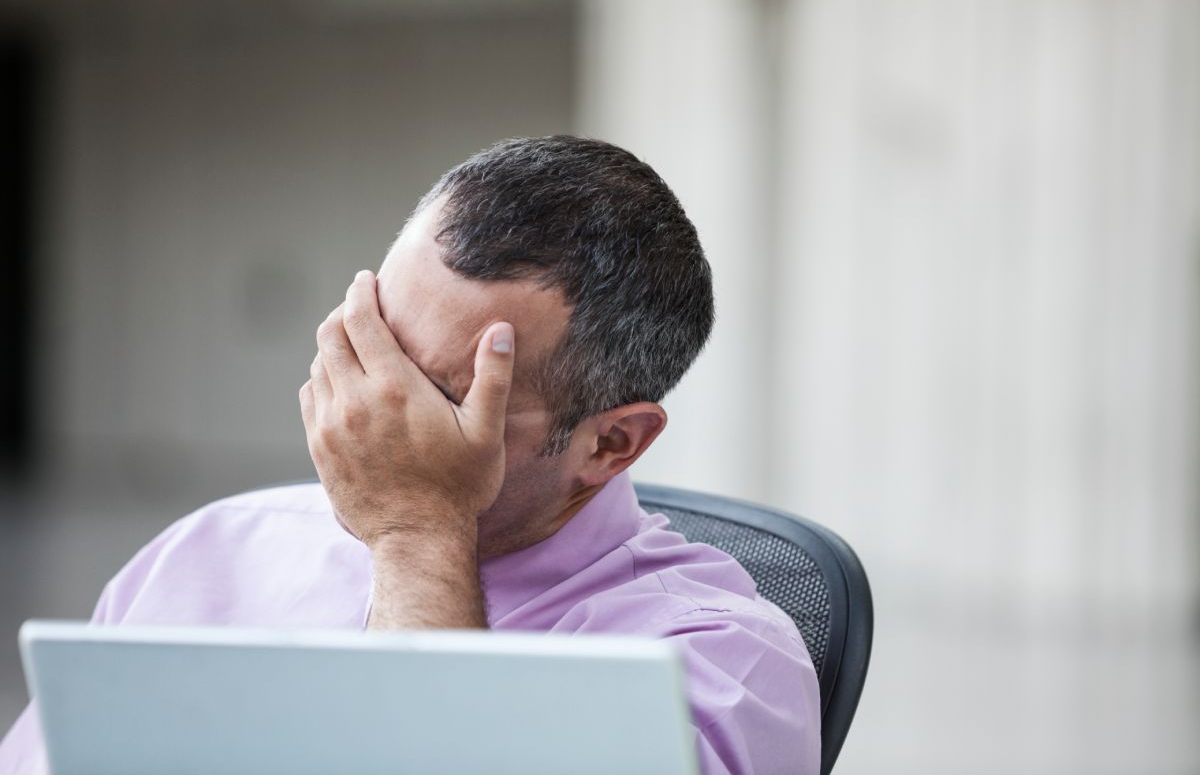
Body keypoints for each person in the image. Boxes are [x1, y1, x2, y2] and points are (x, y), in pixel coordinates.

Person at [0, 136, 820, 774]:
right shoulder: (209, 554)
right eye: (371, 344)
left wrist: (418, 535)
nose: (365, 407)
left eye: (434, 394)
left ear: (609, 443)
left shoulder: (724, 664)